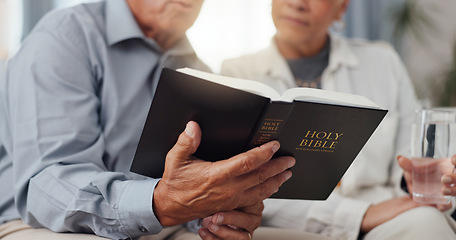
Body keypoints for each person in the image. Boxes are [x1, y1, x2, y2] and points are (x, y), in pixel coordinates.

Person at [0, 0, 313, 239]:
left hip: (158, 224)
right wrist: (161, 202)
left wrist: (221, 210)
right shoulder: (64, 37)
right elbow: (46, 188)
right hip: (41, 224)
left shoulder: (199, 71)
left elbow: (186, 189)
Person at [220, 0, 456, 239]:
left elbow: (410, 160)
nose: (297, 3)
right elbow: (236, 188)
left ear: (341, 8)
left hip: (386, 221)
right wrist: (361, 215)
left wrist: (419, 183)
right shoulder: (235, 74)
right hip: (289, 226)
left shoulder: (383, 63)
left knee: (428, 221)